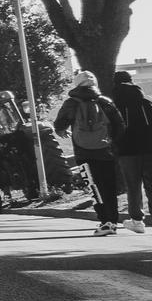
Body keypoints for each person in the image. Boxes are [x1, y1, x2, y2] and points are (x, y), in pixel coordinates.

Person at [54, 72, 125, 235]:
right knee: (109, 187)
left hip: (83, 155)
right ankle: (113, 222)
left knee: (93, 187)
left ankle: (104, 221)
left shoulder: (70, 104)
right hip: (106, 153)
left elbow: (59, 124)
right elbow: (120, 126)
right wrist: (111, 142)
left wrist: (62, 130)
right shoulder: (106, 102)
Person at [110, 71, 152, 235]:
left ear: (115, 84)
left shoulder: (113, 103)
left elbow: (110, 127)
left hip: (127, 150)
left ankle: (137, 221)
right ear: (132, 82)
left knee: (133, 186)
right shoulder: (148, 100)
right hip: (151, 148)